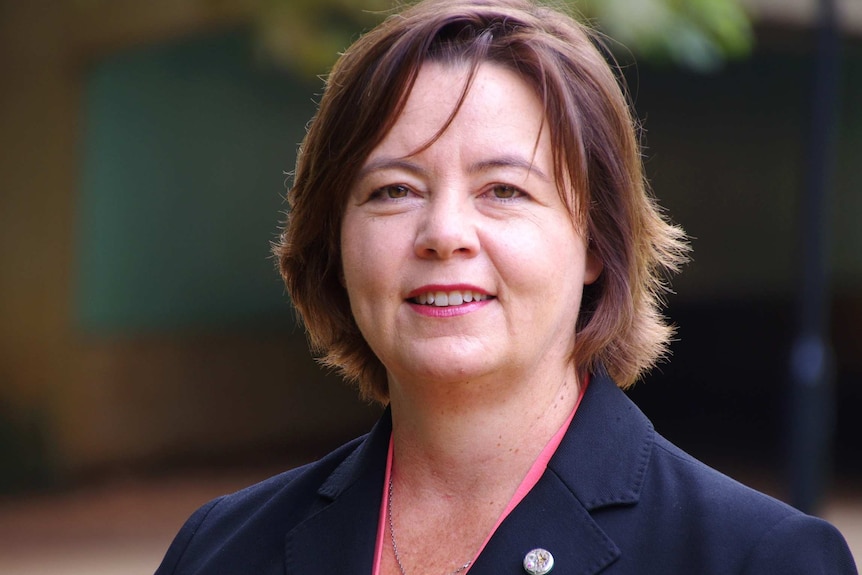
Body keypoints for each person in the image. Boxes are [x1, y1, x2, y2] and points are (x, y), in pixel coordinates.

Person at [155, 0, 857, 573]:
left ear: (595, 244)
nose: (445, 232)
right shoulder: (219, 550)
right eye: (394, 189)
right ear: (332, 243)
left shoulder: (758, 559)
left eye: (503, 189)